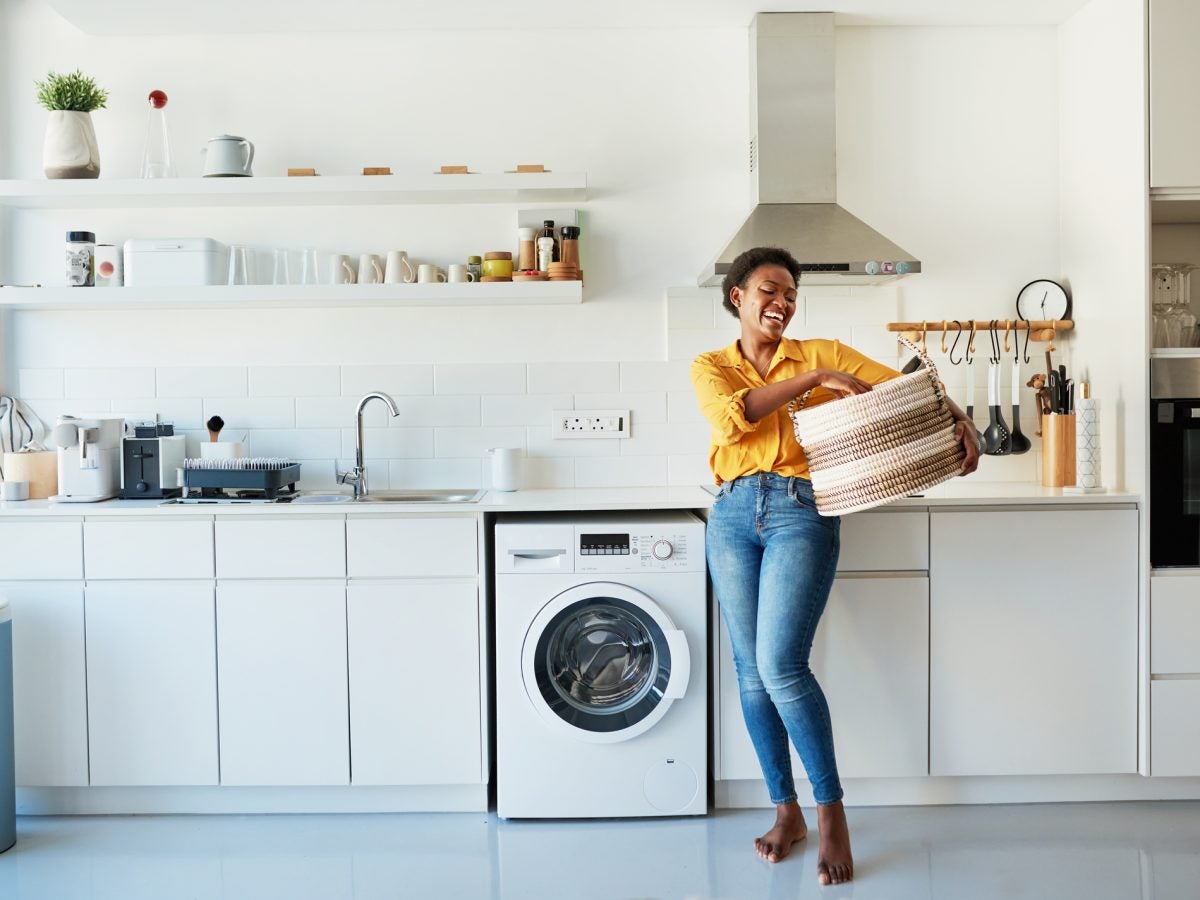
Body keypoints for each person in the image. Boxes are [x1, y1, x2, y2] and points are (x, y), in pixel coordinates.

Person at [691, 246, 979, 885]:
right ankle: (784, 810)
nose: (783, 303)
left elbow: (911, 388)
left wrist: (963, 422)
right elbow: (734, 420)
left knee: (780, 665)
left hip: (801, 510)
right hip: (733, 514)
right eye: (771, 289)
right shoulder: (711, 365)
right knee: (750, 675)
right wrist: (812, 381)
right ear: (737, 296)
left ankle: (830, 813)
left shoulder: (823, 349)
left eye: (791, 293)